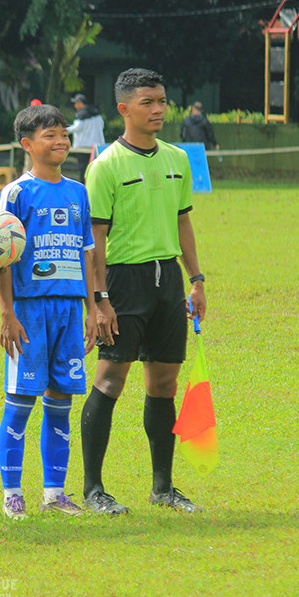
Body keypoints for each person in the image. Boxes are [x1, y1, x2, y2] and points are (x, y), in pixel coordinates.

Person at [81, 68, 206, 516]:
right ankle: (93, 489)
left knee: (164, 384)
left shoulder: (177, 158)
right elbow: (93, 238)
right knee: (111, 379)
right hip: (122, 282)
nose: (158, 109)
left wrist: (196, 280)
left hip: (167, 281)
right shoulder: (106, 166)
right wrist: (99, 301)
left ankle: (163, 487)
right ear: (124, 109)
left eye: (162, 101)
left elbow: (183, 222)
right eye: (148, 102)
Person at [0, 104, 98, 519]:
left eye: (63, 135)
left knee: (61, 400)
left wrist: (93, 309)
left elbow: (88, 254)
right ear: (28, 144)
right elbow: (0, 254)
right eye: (50, 135)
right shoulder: (16, 193)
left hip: (71, 310)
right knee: (20, 399)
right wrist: (6, 312)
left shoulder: (78, 192)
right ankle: (11, 492)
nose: (60, 142)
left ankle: (55, 492)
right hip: (30, 310)